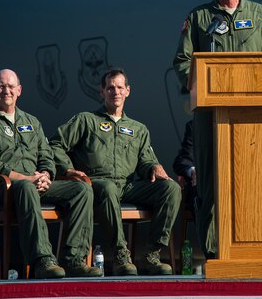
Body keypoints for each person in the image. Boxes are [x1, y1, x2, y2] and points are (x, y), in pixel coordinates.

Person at [172, 0, 262, 258]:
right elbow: (182, 61)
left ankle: (256, 247)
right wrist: (200, 84)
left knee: (256, 181)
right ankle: (215, 253)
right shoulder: (199, 17)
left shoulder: (260, 15)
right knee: (209, 185)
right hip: (210, 116)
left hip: (253, 118)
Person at [0, 69, 101, 279]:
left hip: (34, 184)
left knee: (82, 189)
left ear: (19, 91)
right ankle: (43, 260)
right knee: (27, 188)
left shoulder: (32, 121)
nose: (6, 91)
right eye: (1, 86)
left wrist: (46, 175)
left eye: (11, 86)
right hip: (2, 189)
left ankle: (75, 260)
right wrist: (27, 179)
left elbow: (46, 155)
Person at [50, 68, 181, 276]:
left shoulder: (138, 129)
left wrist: (153, 166)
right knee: (108, 187)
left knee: (171, 188)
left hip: (128, 186)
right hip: (96, 185)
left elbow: (145, 161)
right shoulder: (86, 120)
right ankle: (120, 255)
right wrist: (68, 169)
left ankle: (152, 256)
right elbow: (55, 144)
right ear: (102, 92)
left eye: (120, 87)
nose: (115, 92)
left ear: (128, 91)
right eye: (110, 88)